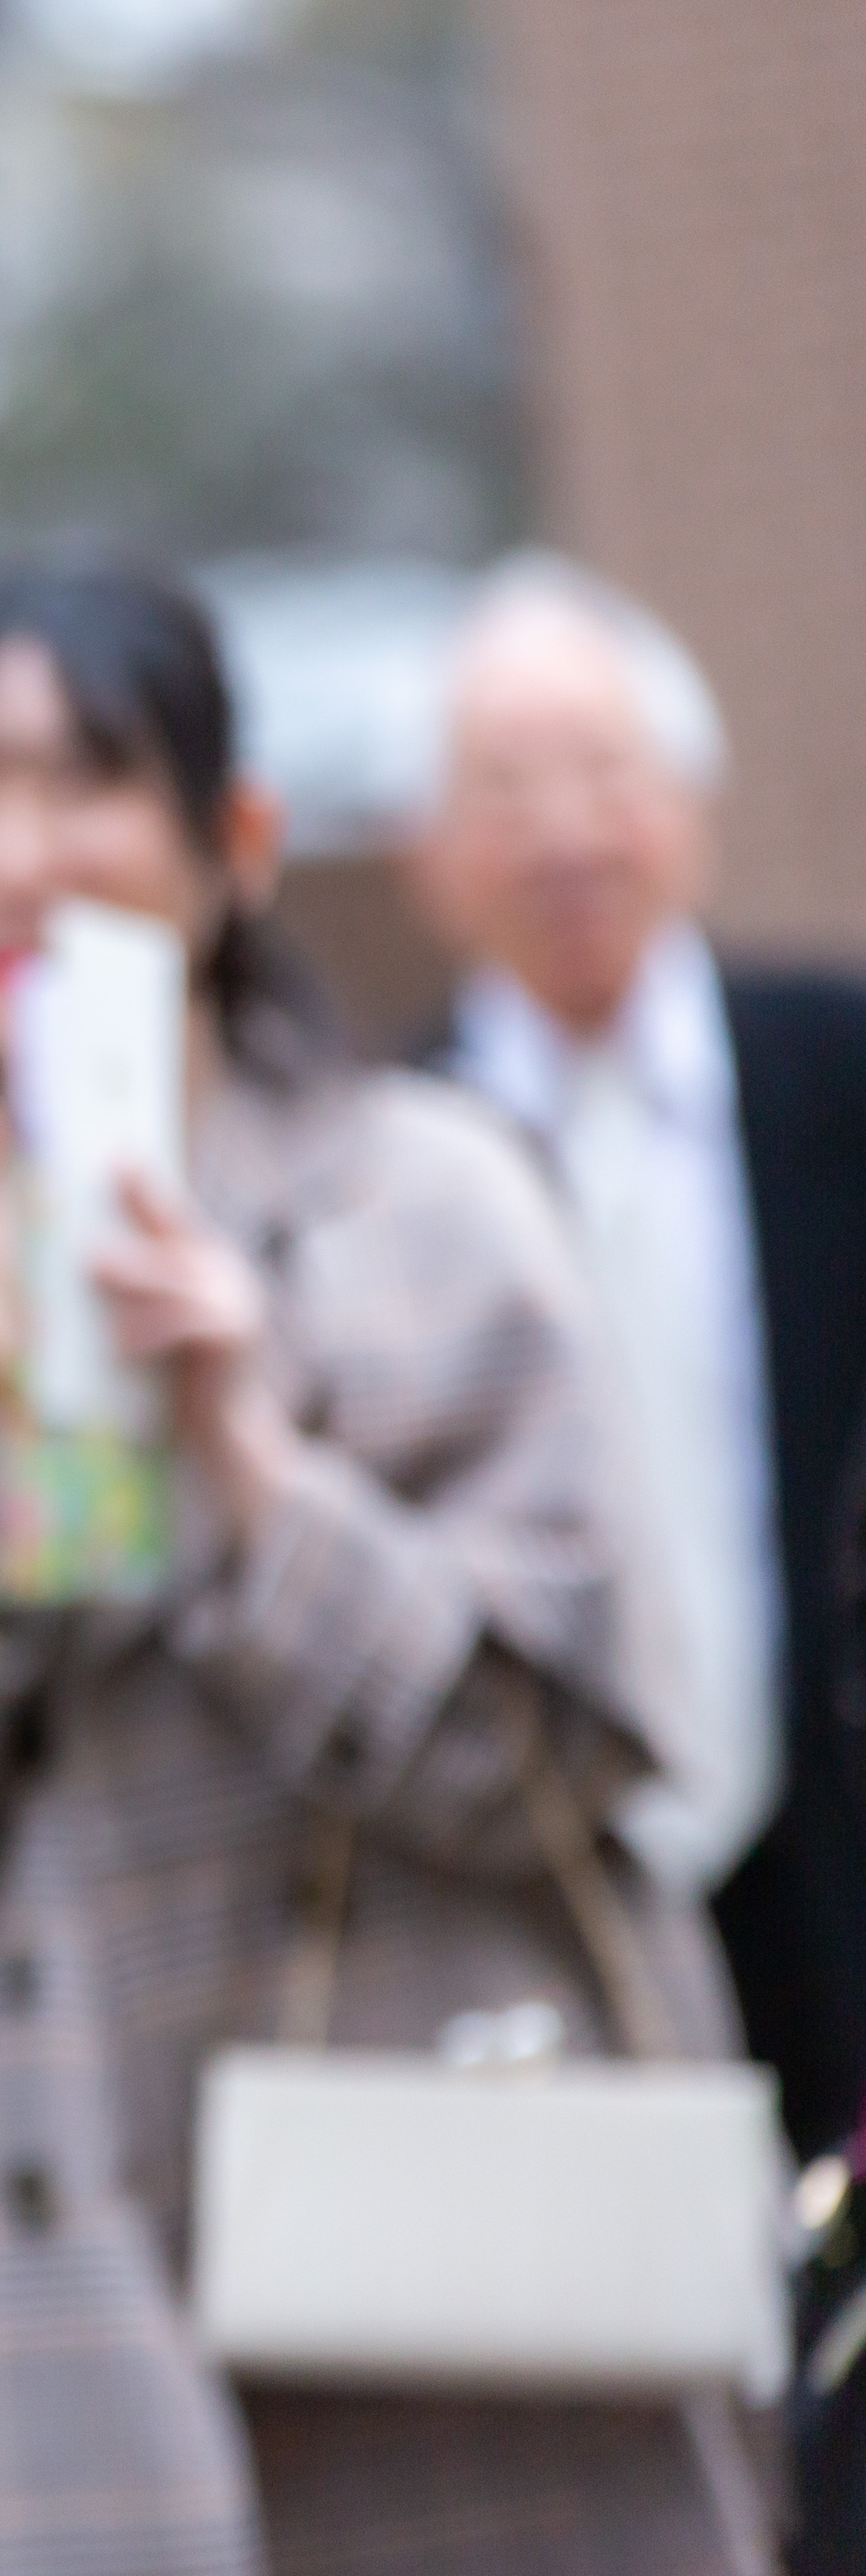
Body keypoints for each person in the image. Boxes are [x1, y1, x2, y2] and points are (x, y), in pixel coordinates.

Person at [0, 559, 761, 2575]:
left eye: (92, 783)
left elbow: (564, 1758)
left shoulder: (425, 1207)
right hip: (9, 2345)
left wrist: (234, 1448)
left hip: (440, 2331)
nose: (14, 855)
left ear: (235, 844)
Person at [407, 554, 866, 2167]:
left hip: (830, 1840)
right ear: (429, 852)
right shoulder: (384, 1151)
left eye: (606, 772)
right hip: (537, 1889)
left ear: (692, 805)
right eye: (505, 786)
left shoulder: (838, 1068)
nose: (563, 832)